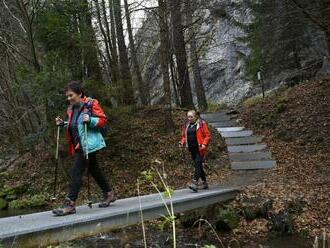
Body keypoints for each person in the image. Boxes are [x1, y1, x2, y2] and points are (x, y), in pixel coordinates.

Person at [52, 81, 116, 216]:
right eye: (67, 96)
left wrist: (91, 120)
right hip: (78, 144)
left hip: (88, 144)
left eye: (71, 95)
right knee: (94, 169)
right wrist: (63, 124)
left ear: (80, 93)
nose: (68, 99)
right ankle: (109, 193)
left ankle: (70, 204)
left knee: (76, 170)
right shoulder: (71, 109)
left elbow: (103, 120)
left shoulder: (91, 104)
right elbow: (75, 125)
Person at [179, 110, 211, 192]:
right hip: (191, 149)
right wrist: (182, 142)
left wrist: (204, 144)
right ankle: (204, 183)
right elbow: (184, 136)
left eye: (191, 117)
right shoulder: (186, 125)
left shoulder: (201, 124)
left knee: (197, 164)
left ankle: (194, 182)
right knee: (199, 165)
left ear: (195, 116)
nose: (189, 118)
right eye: (188, 117)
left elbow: (207, 135)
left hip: (200, 149)